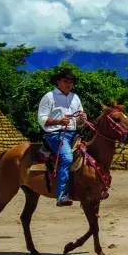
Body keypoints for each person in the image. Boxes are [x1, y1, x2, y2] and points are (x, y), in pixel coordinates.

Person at [37, 68, 87, 207]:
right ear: (58, 81)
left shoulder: (75, 97)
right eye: (66, 81)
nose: (69, 84)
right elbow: (41, 119)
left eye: (71, 82)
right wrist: (59, 121)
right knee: (67, 158)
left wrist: (82, 119)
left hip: (73, 134)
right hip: (56, 134)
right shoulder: (49, 97)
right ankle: (61, 195)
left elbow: (78, 121)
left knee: (89, 156)